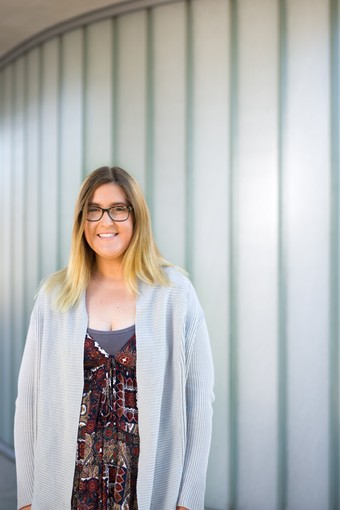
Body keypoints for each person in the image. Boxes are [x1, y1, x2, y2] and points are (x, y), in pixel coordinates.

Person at [14, 166, 214, 510]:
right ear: (82, 221)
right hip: (67, 490)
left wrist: (188, 499)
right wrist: (28, 496)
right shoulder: (55, 297)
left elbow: (198, 401)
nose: (106, 221)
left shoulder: (175, 294)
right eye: (94, 210)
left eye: (118, 209)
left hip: (149, 488)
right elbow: (28, 401)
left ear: (137, 216)